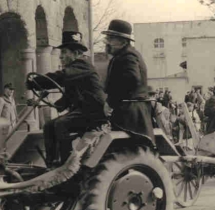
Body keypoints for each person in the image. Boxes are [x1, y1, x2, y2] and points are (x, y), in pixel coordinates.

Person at [26, 31, 106, 167]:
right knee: (49, 125)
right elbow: (68, 96)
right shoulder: (75, 71)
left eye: (64, 52)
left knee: (61, 124)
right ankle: (51, 163)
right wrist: (54, 104)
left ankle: (67, 165)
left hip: (93, 113)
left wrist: (36, 82)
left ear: (76, 53)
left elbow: (60, 77)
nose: (61, 57)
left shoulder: (82, 65)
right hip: (82, 111)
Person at [102, 19, 155, 146]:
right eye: (108, 38)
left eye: (111, 38)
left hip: (130, 112)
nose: (107, 42)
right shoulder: (125, 55)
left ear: (123, 41)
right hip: (130, 110)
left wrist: (110, 102)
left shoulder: (128, 56)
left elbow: (130, 81)